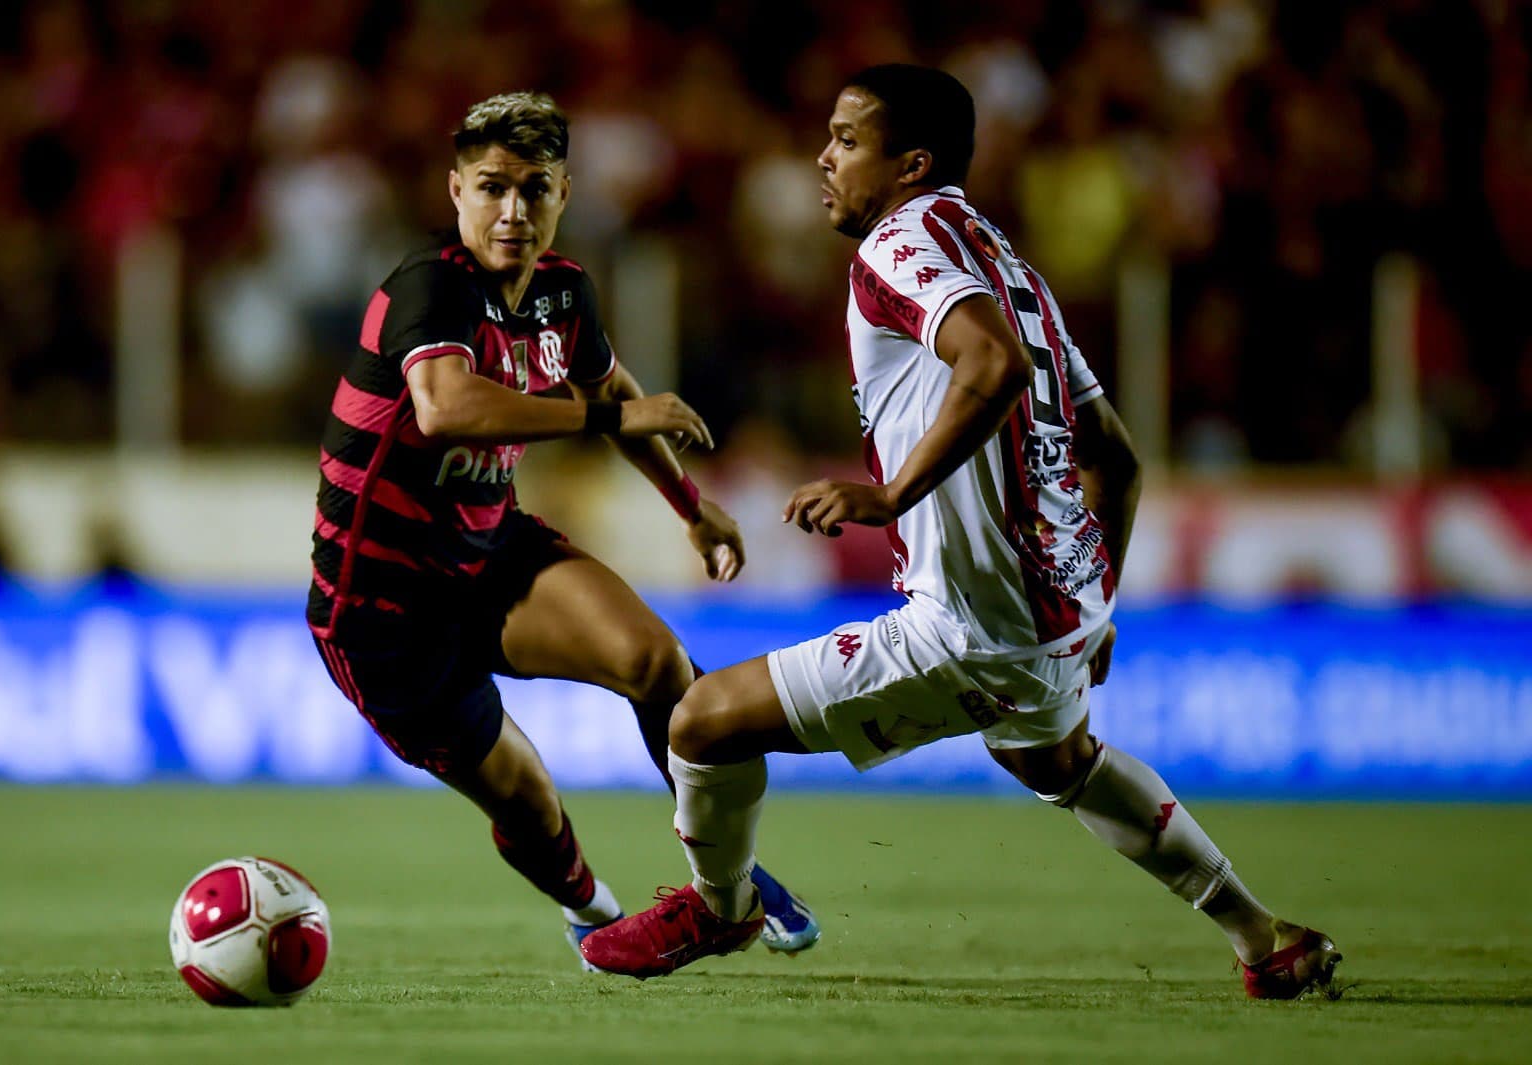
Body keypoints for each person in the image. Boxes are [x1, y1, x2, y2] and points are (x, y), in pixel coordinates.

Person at [580, 66, 1340, 1000]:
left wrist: (889, 495)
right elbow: (1118, 456)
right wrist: (1092, 603)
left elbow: (993, 362)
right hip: (1047, 609)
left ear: (912, 165)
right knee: (1054, 759)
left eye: (849, 140)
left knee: (699, 725)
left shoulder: (900, 245)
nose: (824, 157)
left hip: (968, 624)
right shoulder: (1009, 265)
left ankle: (721, 904)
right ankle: (1263, 937)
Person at [306, 92, 818, 968]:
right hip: (383, 611)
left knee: (658, 663)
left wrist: (692, 507)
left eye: (534, 189)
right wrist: (606, 420)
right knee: (526, 797)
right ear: (456, 190)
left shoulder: (562, 294)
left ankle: (725, 886)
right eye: (493, 188)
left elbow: (618, 394)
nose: (513, 212)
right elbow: (445, 407)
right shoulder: (427, 287)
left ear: (564, 193)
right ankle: (593, 908)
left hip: (489, 553)